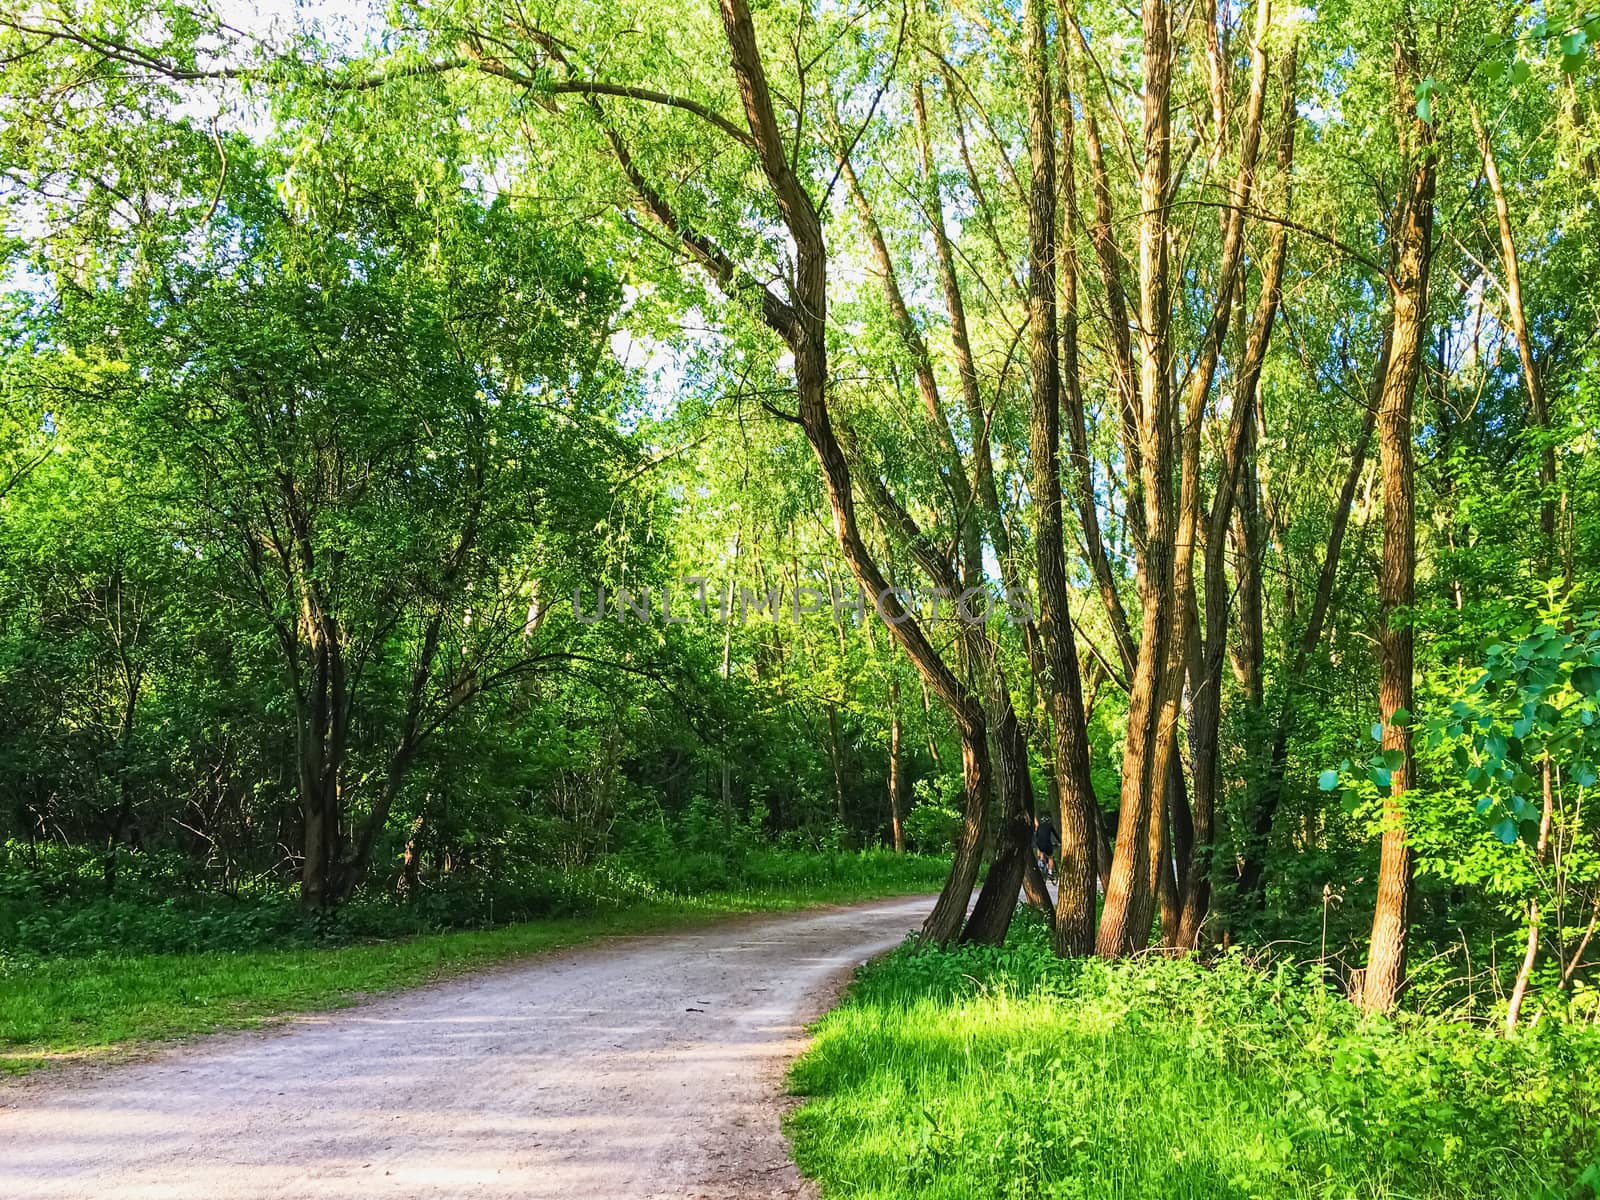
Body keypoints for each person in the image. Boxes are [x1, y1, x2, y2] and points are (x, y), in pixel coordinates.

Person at [1034, 814, 1058, 881]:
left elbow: (1036, 836)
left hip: (1039, 844)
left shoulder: (1039, 827)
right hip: (1047, 844)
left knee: (1041, 851)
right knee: (1050, 857)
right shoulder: (1050, 826)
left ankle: (1041, 861)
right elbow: (1055, 834)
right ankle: (1050, 873)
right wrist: (1060, 842)